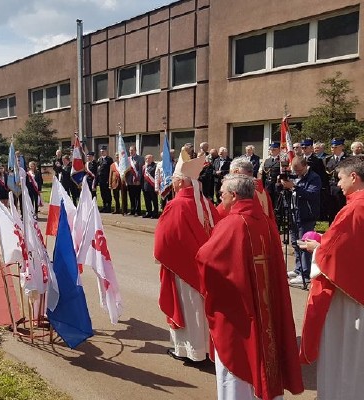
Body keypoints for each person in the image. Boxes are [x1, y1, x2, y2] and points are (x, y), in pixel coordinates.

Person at [196, 174, 304, 400]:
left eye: (222, 193)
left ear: (234, 196)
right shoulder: (265, 221)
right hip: (265, 302)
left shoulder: (232, 224)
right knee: (266, 348)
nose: (220, 197)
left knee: (240, 359)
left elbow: (206, 259)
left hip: (241, 311)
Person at [299, 156, 364, 400]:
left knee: (344, 349)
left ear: (354, 177)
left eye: (340, 178)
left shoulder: (354, 208)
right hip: (357, 285)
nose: (338, 183)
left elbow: (334, 253)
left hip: (347, 294)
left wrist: (314, 248)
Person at [154, 154, 220, 363]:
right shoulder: (208, 204)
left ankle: (191, 351)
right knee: (204, 309)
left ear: (181, 181)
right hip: (208, 268)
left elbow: (166, 240)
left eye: (173, 179)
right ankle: (209, 350)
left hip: (184, 269)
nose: (171, 183)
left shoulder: (176, 205)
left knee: (189, 309)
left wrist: (165, 258)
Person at [281, 156, 321, 285]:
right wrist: (283, 184)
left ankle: (305, 273)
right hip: (294, 212)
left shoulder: (314, 177)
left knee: (304, 243)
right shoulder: (296, 176)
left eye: (298, 170)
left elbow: (312, 194)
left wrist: (295, 187)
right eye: (294, 170)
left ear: (305, 166)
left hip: (306, 215)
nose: (296, 172)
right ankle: (298, 269)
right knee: (295, 243)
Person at [325, 138, 348, 224]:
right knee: (331, 213)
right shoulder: (327, 159)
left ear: (342, 147)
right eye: (331, 147)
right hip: (331, 189)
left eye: (335, 147)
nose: (332, 149)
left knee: (342, 212)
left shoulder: (348, 159)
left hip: (342, 190)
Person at [260, 142, 282, 209]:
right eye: (271, 149)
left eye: (274, 149)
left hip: (277, 185)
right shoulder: (267, 160)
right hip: (268, 185)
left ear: (279, 149)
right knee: (269, 203)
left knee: (277, 204)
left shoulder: (281, 160)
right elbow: (264, 174)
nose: (271, 151)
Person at [126, 145, 143, 216]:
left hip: (136, 181)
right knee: (131, 196)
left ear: (135, 151)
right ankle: (132, 210)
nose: (131, 152)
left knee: (137, 196)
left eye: (132, 150)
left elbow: (140, 170)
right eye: (130, 150)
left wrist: (138, 179)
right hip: (129, 181)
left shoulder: (140, 158)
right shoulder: (127, 159)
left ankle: (137, 211)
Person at [142, 154, 158, 219]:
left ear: (152, 159)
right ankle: (149, 212)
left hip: (152, 186)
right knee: (147, 201)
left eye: (149, 158)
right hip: (145, 186)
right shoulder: (144, 167)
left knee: (154, 200)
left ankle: (155, 213)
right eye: (146, 159)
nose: (147, 160)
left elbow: (156, 176)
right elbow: (142, 177)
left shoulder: (155, 166)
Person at [97, 146, 114, 213]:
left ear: (106, 151)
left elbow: (111, 170)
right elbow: (98, 170)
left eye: (103, 151)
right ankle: (104, 206)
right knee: (102, 194)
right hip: (101, 180)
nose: (102, 152)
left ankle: (109, 207)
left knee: (108, 194)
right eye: (101, 151)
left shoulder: (109, 159)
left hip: (107, 179)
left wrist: (109, 179)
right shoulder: (99, 159)